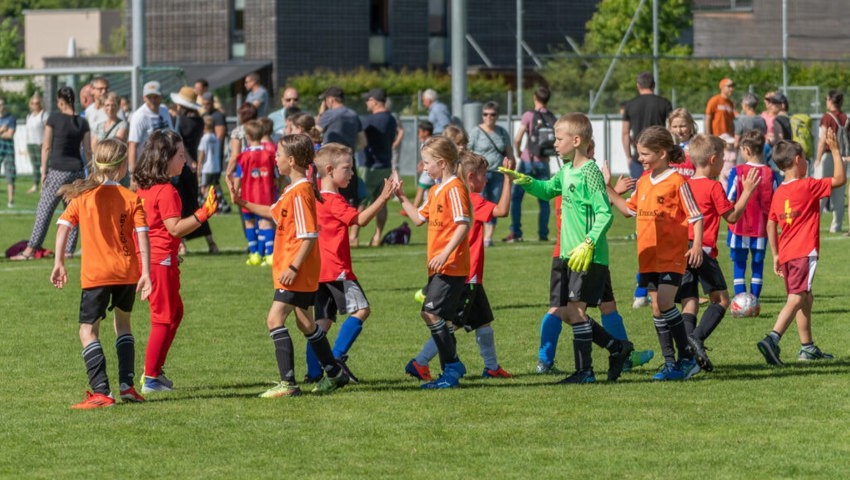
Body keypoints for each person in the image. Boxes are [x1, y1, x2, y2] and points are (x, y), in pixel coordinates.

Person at [502, 113, 634, 384]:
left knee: (575, 312)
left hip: (587, 255)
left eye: (559, 139)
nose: (555, 144)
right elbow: (548, 189)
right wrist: (525, 181)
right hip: (567, 254)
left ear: (576, 140)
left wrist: (588, 243)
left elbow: (604, 214)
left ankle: (585, 371)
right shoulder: (566, 170)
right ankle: (617, 348)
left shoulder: (590, 172)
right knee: (565, 312)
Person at [235, 133, 351, 397]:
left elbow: (309, 235)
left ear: (290, 160)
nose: (274, 158)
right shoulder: (293, 190)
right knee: (305, 323)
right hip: (296, 271)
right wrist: (241, 202)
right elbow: (272, 212)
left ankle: (287, 384)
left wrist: (294, 268)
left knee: (275, 319)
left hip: (295, 271)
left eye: (277, 155)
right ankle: (334, 373)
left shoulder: (301, 193)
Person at [535, 141, 654, 376]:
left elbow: (592, 206)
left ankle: (624, 355)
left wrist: (608, 188)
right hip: (577, 254)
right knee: (564, 310)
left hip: (591, 252)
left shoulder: (570, 176)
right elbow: (598, 209)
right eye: (592, 151)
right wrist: (609, 187)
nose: (593, 157)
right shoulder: (572, 177)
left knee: (607, 305)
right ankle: (550, 360)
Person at [50, 138, 151, 409]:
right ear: (121, 169)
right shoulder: (132, 198)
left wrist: (59, 262)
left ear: (96, 163)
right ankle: (127, 386)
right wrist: (147, 273)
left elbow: (63, 228)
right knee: (124, 325)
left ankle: (101, 391)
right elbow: (143, 236)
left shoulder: (83, 197)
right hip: (127, 272)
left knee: (87, 331)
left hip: (96, 275)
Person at [607, 125, 704, 381]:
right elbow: (629, 211)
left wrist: (695, 246)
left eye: (644, 154)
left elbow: (696, 215)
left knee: (664, 302)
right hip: (647, 256)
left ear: (661, 153)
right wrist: (607, 187)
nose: (640, 159)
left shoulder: (677, 182)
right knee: (657, 310)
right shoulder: (643, 181)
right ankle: (670, 364)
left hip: (671, 255)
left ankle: (687, 358)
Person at [407, 150, 513, 381]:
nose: (486, 180)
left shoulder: (456, 193)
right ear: (472, 176)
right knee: (450, 324)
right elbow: (502, 211)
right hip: (467, 275)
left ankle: (492, 366)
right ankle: (420, 362)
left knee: (483, 321)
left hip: (472, 276)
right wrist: (508, 179)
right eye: (484, 176)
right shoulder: (472, 198)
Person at [133, 130, 219, 393]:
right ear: (165, 158)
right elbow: (175, 228)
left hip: (160, 259)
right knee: (163, 317)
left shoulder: (145, 187)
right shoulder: (167, 190)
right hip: (159, 261)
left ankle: (155, 371)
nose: (186, 161)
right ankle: (150, 377)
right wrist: (205, 213)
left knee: (175, 313)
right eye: (180, 155)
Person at [303, 142, 397, 383]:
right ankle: (335, 360)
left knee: (320, 325)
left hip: (318, 271)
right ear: (330, 170)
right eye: (348, 168)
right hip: (337, 270)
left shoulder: (314, 198)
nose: (352, 173)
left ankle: (314, 374)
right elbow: (360, 220)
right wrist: (383, 198)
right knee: (362, 310)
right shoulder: (333, 201)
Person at [757, 132, 845, 365]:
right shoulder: (808, 186)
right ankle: (772, 338)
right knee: (796, 297)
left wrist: (775, 254)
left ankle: (807, 348)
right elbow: (839, 179)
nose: (807, 162)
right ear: (797, 160)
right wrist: (835, 150)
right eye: (805, 158)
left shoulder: (779, 192)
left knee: (806, 297)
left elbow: (771, 223)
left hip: (786, 254)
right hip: (803, 252)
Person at [676, 134, 760, 372]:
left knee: (689, 301)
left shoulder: (683, 184)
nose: (725, 161)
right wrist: (747, 191)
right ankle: (697, 338)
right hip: (702, 249)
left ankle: (687, 353)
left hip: (683, 249)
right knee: (721, 300)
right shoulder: (713, 186)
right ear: (713, 159)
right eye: (722, 157)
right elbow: (731, 217)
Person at [396, 136, 470, 388]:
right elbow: (418, 219)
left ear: (442, 162)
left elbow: (463, 224)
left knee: (429, 313)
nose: (423, 167)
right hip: (437, 266)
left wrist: (446, 252)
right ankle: (449, 373)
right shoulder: (435, 189)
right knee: (442, 320)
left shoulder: (455, 188)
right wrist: (401, 196)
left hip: (451, 266)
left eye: (427, 162)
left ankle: (453, 366)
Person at [12, 87, 91, 261]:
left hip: (58, 171)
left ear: (60, 101)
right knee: (72, 212)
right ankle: (69, 250)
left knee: (44, 210)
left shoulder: (54, 119)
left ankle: (30, 249)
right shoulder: (82, 123)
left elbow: (46, 146)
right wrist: (89, 174)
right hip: (77, 171)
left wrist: (43, 171)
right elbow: (88, 151)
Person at [726, 130, 778, 300]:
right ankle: (753, 300)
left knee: (739, 264)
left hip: (739, 227)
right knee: (758, 265)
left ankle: (741, 300)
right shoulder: (771, 173)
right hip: (762, 229)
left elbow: (729, 198)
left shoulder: (738, 171)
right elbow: (777, 201)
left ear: (746, 150)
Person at [171, 86, 218, 254]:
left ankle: (181, 243)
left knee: (178, 206)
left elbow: (178, 142)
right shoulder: (199, 122)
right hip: (191, 170)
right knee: (195, 205)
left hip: (179, 167)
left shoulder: (179, 121)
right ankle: (211, 242)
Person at [351, 87, 397, 247]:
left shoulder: (368, 120)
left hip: (368, 166)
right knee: (381, 202)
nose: (366, 102)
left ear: (374, 101)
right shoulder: (391, 119)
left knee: (361, 201)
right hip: (385, 164)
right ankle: (377, 237)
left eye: (368, 99)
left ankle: (354, 237)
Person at [508, 86, 554, 243]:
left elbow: (518, 137)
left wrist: (518, 152)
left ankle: (516, 232)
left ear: (535, 98)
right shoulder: (552, 117)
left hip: (528, 161)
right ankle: (543, 233)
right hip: (544, 162)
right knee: (544, 200)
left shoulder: (529, 115)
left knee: (516, 197)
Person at [468, 101, 515, 246]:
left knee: (494, 204)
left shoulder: (502, 132)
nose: (489, 117)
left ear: (497, 116)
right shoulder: (475, 132)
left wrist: (512, 168)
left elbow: (509, 151)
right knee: (479, 203)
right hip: (479, 175)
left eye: (492, 114)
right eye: (485, 114)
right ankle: (477, 234)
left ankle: (488, 236)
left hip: (497, 173)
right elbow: (468, 153)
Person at [234, 120, 277, 266]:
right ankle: (270, 255)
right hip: (266, 194)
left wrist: (235, 191)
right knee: (266, 223)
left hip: (248, 196)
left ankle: (254, 255)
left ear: (247, 136)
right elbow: (277, 175)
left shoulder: (244, 156)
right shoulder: (270, 154)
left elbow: (238, 177)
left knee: (250, 223)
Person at [316, 86, 364, 208]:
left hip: (331, 162)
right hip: (349, 160)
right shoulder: (353, 114)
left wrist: (321, 113)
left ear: (331, 100)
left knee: (329, 197)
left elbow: (315, 133)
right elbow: (363, 141)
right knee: (349, 199)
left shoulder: (329, 114)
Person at [622, 72, 673, 179]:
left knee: (638, 192)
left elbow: (625, 133)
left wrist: (628, 157)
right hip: (659, 156)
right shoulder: (664, 103)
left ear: (638, 85)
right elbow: (671, 129)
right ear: (654, 85)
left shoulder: (630, 104)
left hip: (639, 158)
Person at [128, 81, 174, 186]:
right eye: (150, 97)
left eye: (156, 97)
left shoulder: (164, 110)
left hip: (164, 165)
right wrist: (133, 175)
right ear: (144, 98)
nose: (153, 100)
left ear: (161, 97)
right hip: (146, 167)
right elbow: (132, 146)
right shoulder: (139, 116)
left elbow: (172, 135)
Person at [814, 89, 848, 233]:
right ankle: (837, 226)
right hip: (840, 157)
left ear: (830, 101)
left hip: (827, 156)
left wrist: (817, 158)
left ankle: (814, 223)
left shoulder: (827, 117)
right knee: (839, 193)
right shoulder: (845, 117)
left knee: (820, 190)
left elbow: (822, 140)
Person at [197, 116, 224, 216]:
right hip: (216, 167)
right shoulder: (216, 139)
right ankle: (218, 208)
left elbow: (202, 153)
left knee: (204, 188)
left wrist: (199, 165)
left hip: (207, 168)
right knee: (216, 187)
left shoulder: (204, 138)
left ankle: (206, 208)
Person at [25, 94, 48, 194]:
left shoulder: (43, 115)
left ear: (40, 104)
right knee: (35, 166)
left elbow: (48, 130)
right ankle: (35, 185)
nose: (35, 105)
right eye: (33, 103)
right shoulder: (29, 116)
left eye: (37, 103)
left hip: (41, 143)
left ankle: (45, 185)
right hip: (31, 143)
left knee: (44, 166)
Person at [667, 108, 697, 178]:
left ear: (690, 125)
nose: (679, 131)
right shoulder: (666, 147)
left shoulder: (698, 145)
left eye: (682, 126)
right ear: (670, 128)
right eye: (674, 127)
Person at [0, 98, 16, 207]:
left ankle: (11, 201)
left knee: (10, 175)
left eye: (2, 104)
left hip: (8, 151)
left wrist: (4, 131)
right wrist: (2, 130)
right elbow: (5, 133)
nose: (1, 106)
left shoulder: (11, 118)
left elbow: (10, 134)